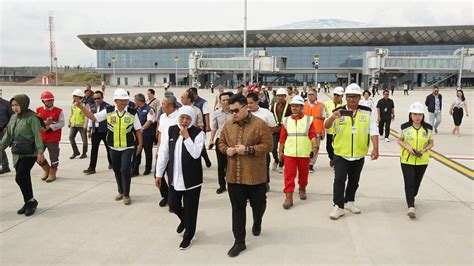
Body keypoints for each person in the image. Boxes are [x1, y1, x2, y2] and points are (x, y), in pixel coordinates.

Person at [218, 93, 273, 257]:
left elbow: (269, 145)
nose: (233, 114)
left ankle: (257, 220)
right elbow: (221, 142)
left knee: (259, 205)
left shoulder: (260, 124)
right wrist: (225, 149)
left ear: (245, 107)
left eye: (235, 110)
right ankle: (239, 241)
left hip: (255, 176)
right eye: (231, 111)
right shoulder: (228, 125)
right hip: (234, 176)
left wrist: (248, 150)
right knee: (237, 209)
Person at [76, 88, 143, 205]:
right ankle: (121, 191)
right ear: (116, 100)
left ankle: (126, 194)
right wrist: (81, 107)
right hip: (113, 146)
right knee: (117, 170)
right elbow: (93, 117)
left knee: (126, 169)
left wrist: (140, 144)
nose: (124, 102)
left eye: (125, 100)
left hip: (128, 147)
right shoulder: (109, 111)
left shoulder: (132, 112)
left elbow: (138, 129)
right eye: (121, 100)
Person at [324, 83, 379, 220]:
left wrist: (375, 148)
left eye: (354, 97)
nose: (351, 99)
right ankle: (338, 206)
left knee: (354, 180)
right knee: (339, 180)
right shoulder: (338, 111)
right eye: (349, 97)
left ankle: (349, 201)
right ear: (345, 97)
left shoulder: (367, 112)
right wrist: (332, 117)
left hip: (359, 153)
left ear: (360, 97)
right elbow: (326, 126)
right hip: (341, 153)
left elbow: (373, 130)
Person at [155, 106, 205, 250]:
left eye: (188, 118)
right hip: (174, 178)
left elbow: (196, 154)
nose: (184, 121)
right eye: (182, 117)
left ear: (192, 119)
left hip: (192, 180)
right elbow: (164, 152)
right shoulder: (171, 130)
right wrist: (159, 174)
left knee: (191, 209)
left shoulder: (198, 133)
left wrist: (187, 137)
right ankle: (185, 220)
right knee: (173, 204)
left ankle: (188, 235)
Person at [0, 94, 45, 216]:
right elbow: (8, 135)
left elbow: (37, 135)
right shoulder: (14, 118)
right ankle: (29, 201)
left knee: (20, 177)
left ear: (24, 104)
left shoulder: (32, 118)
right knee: (24, 178)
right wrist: (1, 148)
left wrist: (40, 152)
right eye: (13, 105)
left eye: (17, 105)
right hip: (17, 152)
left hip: (30, 152)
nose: (15, 108)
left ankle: (30, 201)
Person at [279, 96, 318, 209]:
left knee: (303, 175)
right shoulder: (286, 120)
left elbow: (313, 134)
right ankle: (288, 196)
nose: (294, 108)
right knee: (289, 176)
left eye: (296, 106)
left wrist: (315, 146)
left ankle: (302, 188)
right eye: (292, 106)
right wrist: (280, 150)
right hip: (290, 153)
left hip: (303, 153)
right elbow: (282, 138)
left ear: (302, 107)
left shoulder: (308, 120)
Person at [398, 102, 434, 218]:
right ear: (410, 115)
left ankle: (411, 197)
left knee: (416, 184)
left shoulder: (428, 128)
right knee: (409, 183)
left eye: (420, 114)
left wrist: (425, 149)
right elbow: (399, 140)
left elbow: (431, 143)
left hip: (422, 160)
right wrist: (407, 147)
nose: (417, 117)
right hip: (407, 160)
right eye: (414, 114)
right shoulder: (404, 127)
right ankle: (411, 206)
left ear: (423, 116)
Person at [247, 92, 277, 191]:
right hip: (248, 144)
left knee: (264, 164)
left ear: (258, 102)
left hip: (262, 144)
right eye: (247, 103)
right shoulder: (245, 113)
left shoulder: (266, 113)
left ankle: (265, 182)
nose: (249, 105)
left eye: (251, 103)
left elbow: (273, 128)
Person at [155, 94, 179, 207]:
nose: (161, 106)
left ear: (170, 105)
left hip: (174, 153)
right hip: (162, 151)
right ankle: (166, 196)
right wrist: (158, 148)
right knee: (157, 175)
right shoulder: (163, 117)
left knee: (172, 178)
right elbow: (161, 133)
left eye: (163, 104)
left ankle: (173, 200)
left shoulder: (179, 117)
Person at [36, 91, 65, 182]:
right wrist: (44, 124)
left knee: (54, 156)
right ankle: (46, 169)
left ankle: (53, 172)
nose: (50, 102)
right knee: (36, 155)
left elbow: (62, 123)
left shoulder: (58, 111)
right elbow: (36, 123)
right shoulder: (38, 110)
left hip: (53, 138)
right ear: (43, 101)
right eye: (47, 101)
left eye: (51, 100)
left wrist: (51, 126)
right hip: (41, 137)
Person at [209, 92, 233, 194]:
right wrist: (211, 139)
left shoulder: (235, 112)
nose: (225, 102)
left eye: (227, 100)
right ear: (220, 102)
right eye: (223, 100)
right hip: (220, 140)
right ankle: (222, 185)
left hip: (232, 141)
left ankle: (232, 185)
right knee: (221, 164)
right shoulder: (217, 113)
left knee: (231, 165)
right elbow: (214, 127)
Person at [83, 90, 112, 175]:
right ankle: (92, 167)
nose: (96, 100)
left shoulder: (107, 107)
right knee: (94, 150)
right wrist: (89, 129)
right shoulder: (92, 106)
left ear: (102, 98)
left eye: (98, 98)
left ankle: (112, 163)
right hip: (95, 131)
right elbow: (90, 118)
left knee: (109, 149)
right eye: (95, 98)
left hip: (105, 131)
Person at [132, 93, 156, 176]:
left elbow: (149, 121)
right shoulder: (136, 109)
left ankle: (148, 168)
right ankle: (135, 171)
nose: (134, 102)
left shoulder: (149, 109)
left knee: (148, 152)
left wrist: (141, 129)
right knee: (136, 152)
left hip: (147, 135)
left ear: (139, 101)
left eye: (135, 100)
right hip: (138, 135)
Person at [188, 87, 212, 168]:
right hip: (191, 128)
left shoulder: (203, 102)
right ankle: (205, 158)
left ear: (194, 93)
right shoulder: (190, 102)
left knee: (200, 144)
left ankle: (205, 158)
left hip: (200, 127)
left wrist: (208, 126)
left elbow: (206, 114)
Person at [303, 88, 325, 173]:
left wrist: (323, 131)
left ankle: (311, 164)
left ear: (316, 96)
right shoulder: (303, 105)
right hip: (305, 130)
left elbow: (324, 119)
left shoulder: (321, 106)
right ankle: (305, 162)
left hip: (317, 131)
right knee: (306, 147)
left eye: (312, 94)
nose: (310, 96)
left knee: (315, 147)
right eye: (309, 94)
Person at [324, 86, 345, 167]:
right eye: (335, 95)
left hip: (341, 131)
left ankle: (337, 162)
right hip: (330, 130)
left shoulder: (345, 106)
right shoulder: (327, 104)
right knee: (329, 147)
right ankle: (332, 158)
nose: (336, 96)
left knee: (339, 148)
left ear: (342, 96)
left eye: (338, 95)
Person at [68, 89, 88, 159]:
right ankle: (75, 152)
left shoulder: (84, 105)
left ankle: (84, 153)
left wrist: (85, 125)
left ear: (79, 97)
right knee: (71, 138)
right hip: (74, 124)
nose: (73, 97)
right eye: (73, 96)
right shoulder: (73, 104)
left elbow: (86, 115)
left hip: (81, 125)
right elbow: (72, 114)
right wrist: (69, 121)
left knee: (84, 140)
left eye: (75, 96)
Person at [0, 88, 14, 174]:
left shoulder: (6, 104)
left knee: (3, 147)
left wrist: (8, 127)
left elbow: (13, 117)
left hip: (4, 130)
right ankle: (5, 166)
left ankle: (5, 166)